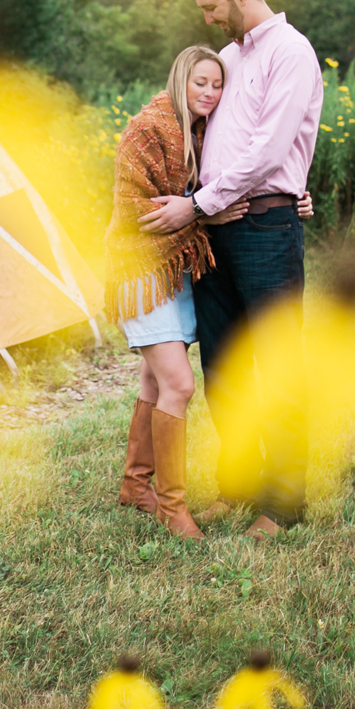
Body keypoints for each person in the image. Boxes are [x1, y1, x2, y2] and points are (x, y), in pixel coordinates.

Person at [139, 0, 323, 540]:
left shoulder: (290, 52)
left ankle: (284, 501)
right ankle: (238, 482)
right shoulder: (225, 59)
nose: (210, 18)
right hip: (214, 229)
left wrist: (197, 205)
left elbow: (270, 151)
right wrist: (201, 207)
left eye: (212, 7)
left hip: (264, 226)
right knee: (222, 365)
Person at [103, 46, 246, 540]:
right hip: (142, 271)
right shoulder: (147, 129)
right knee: (180, 385)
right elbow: (134, 213)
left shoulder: (204, 132)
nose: (209, 92)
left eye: (217, 84)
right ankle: (172, 507)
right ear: (180, 79)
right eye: (199, 82)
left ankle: (135, 484)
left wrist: (296, 197)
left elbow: (225, 185)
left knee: (153, 381)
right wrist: (204, 213)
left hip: (178, 269)